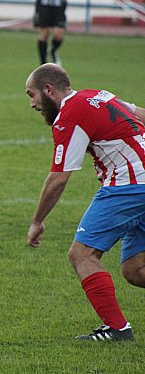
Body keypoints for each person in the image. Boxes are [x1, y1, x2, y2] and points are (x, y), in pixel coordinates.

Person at [25, 63, 145, 341]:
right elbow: (140, 115)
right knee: (135, 269)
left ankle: (117, 329)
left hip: (129, 185)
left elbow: (58, 178)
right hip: (138, 182)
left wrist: (37, 221)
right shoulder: (99, 95)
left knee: (81, 255)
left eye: (31, 95)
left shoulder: (70, 113)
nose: (32, 104)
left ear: (48, 90)